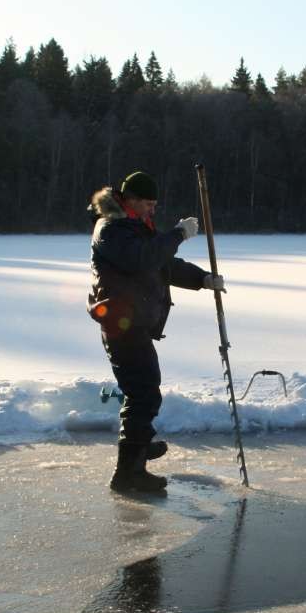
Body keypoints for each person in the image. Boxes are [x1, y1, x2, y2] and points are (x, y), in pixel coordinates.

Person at [87, 170, 224, 493]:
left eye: (154, 204)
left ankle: (138, 448)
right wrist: (177, 234)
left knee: (143, 390)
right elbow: (141, 259)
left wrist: (202, 279)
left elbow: (163, 265)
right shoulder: (111, 228)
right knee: (144, 393)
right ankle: (128, 473)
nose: (152, 209)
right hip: (122, 324)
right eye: (147, 203)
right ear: (129, 199)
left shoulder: (136, 227)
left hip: (133, 322)